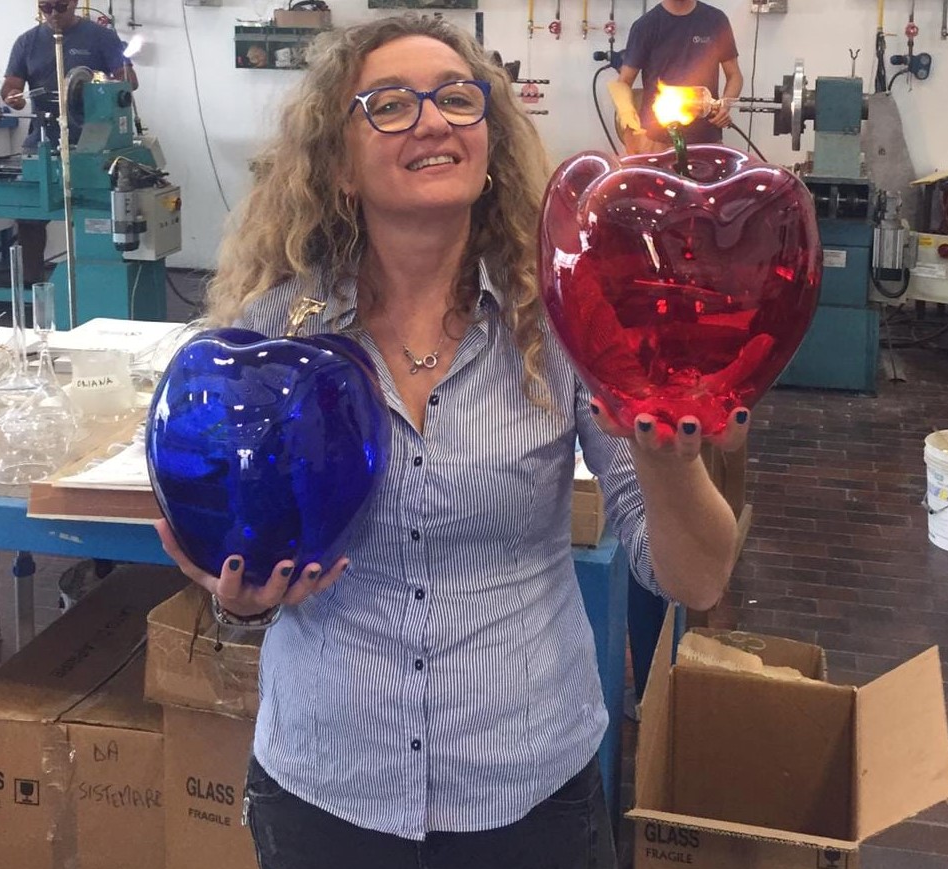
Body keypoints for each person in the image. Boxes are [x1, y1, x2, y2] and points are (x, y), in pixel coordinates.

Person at [155, 14, 748, 869]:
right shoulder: (277, 333)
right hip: (330, 786)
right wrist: (240, 601)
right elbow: (244, 542)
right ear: (338, 165)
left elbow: (694, 577)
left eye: (457, 100)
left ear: (489, 140)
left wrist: (670, 464)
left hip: (525, 793)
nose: (432, 121)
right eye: (390, 106)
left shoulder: (565, 321)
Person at [0, 0, 137, 282]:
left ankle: (97, 282)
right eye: (45, 6)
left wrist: (107, 82)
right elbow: (12, 85)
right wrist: (12, 97)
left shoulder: (102, 37)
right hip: (44, 142)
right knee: (30, 217)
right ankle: (31, 286)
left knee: (94, 214)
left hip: (94, 144)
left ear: (75, 2)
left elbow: (129, 81)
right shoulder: (26, 42)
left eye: (60, 6)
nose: (53, 13)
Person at [609, 0, 743, 155]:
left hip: (705, 138)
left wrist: (724, 105)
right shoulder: (646, 25)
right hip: (656, 140)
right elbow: (624, 82)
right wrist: (627, 115)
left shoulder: (715, 20)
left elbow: (734, 75)